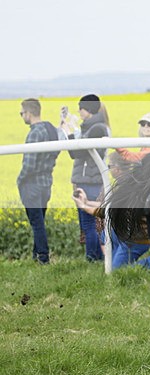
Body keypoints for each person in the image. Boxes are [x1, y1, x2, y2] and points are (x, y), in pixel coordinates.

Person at [72, 151, 150, 270]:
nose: (108, 169)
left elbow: (107, 212)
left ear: (117, 169)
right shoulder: (127, 184)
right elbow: (109, 206)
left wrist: (84, 206)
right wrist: (86, 202)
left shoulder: (130, 188)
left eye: (109, 166)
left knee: (115, 270)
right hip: (124, 234)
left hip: (135, 239)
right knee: (108, 247)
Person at [67, 94, 111, 262]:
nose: (79, 111)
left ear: (89, 109)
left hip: (90, 180)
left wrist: (69, 133)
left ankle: (93, 257)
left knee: (89, 223)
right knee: (91, 223)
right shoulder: (94, 127)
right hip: (90, 179)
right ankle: (97, 257)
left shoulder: (96, 129)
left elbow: (76, 153)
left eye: (81, 108)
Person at [17, 98, 60, 265]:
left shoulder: (35, 133)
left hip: (32, 184)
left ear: (29, 113)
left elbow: (29, 164)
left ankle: (43, 257)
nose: (22, 116)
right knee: (39, 220)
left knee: (36, 223)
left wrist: (20, 180)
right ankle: (37, 256)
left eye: (22, 113)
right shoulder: (51, 129)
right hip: (46, 182)